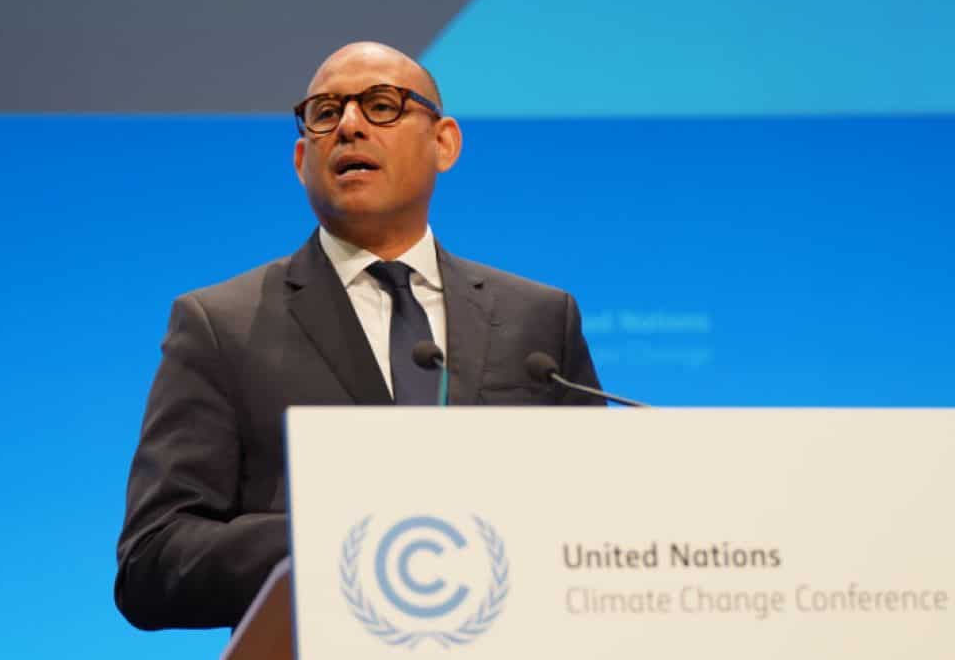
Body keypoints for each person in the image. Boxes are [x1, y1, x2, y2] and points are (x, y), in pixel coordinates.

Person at [114, 42, 603, 631]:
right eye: (325, 113)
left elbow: (597, 527)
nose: (348, 126)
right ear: (301, 160)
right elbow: (152, 560)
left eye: (381, 105)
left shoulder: (540, 320)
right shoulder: (220, 324)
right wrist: (346, 538)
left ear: (443, 142)